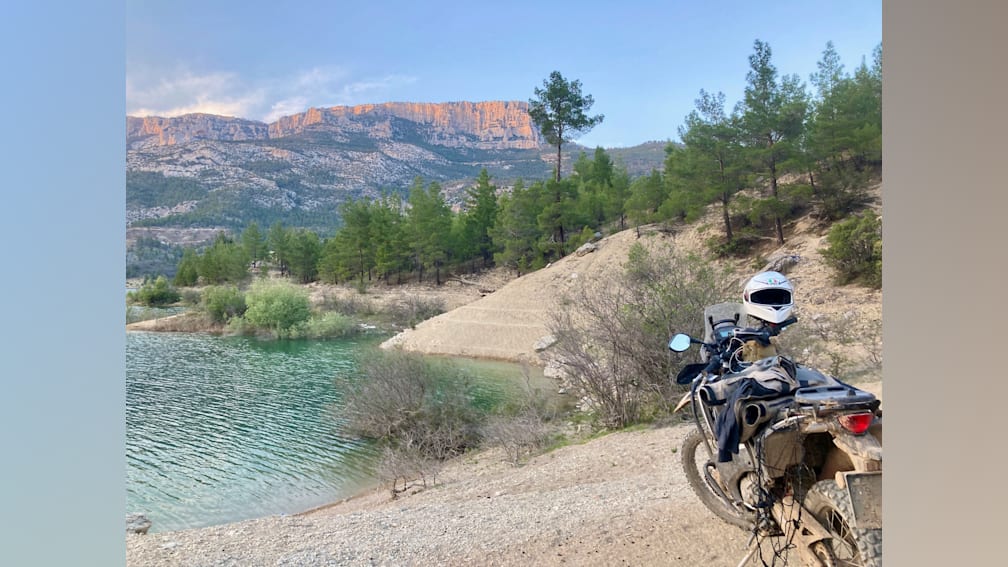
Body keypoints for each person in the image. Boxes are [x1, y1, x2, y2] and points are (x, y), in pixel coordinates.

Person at [739, 270, 795, 362]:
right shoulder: (746, 323)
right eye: (765, 298)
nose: (773, 303)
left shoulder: (789, 332)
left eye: (777, 299)